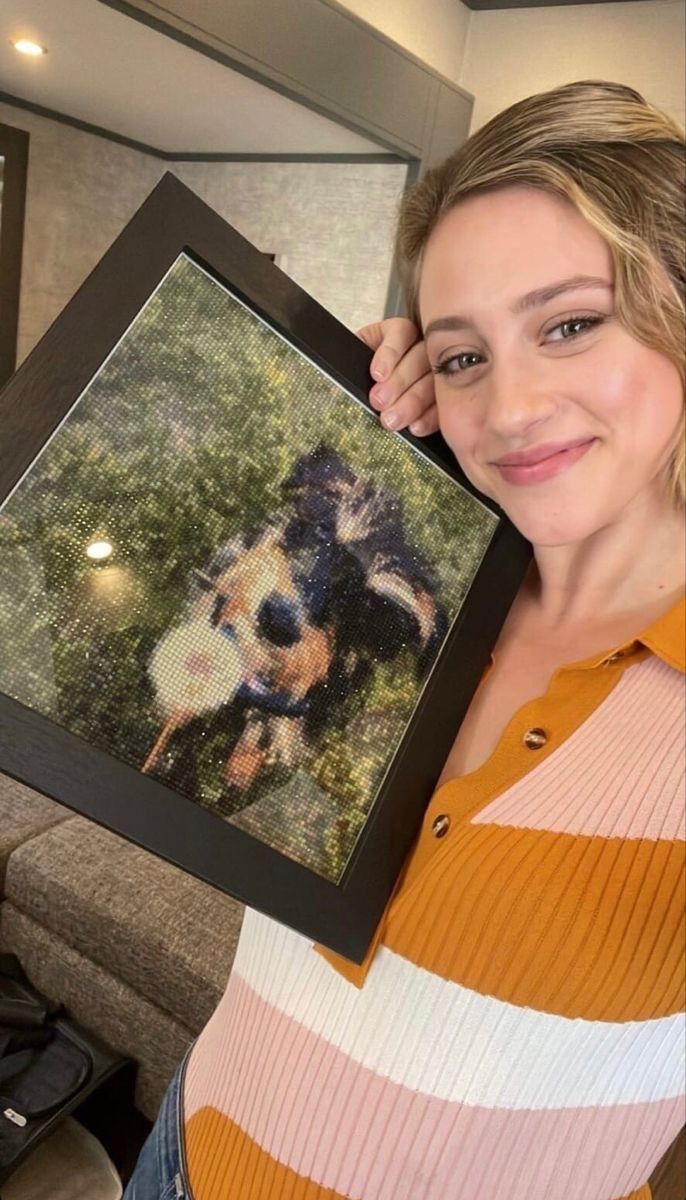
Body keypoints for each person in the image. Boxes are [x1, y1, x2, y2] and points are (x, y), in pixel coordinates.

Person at [123, 80, 685, 1200]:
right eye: (462, 353)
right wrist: (350, 401)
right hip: (189, 1153)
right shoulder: (420, 567)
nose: (508, 408)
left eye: (568, 323)